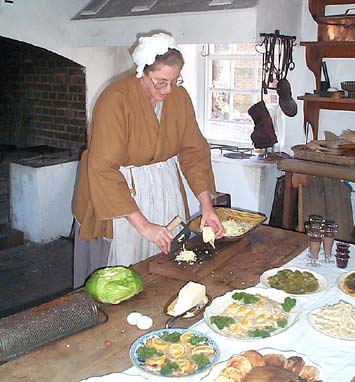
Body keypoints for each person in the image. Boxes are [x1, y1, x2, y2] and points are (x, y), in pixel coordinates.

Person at [73, 32, 224, 288]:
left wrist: (207, 207)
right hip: (121, 196)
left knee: (167, 263)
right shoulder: (115, 100)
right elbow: (103, 168)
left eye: (175, 81)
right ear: (142, 71)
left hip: (164, 189)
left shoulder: (180, 98)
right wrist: (144, 226)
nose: (168, 89)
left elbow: (194, 153)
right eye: (160, 82)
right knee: (125, 272)